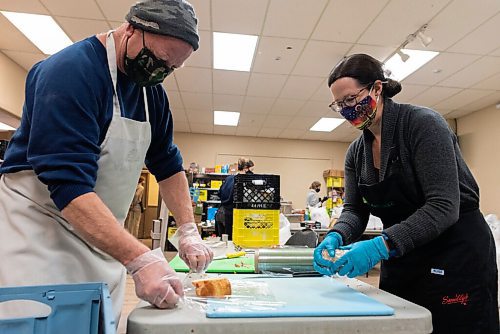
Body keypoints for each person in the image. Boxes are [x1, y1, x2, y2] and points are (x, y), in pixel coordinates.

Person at [0, 0, 213, 321]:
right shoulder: (70, 73)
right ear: (130, 29)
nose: (158, 71)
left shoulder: (149, 93)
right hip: (39, 235)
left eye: (170, 68)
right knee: (42, 322)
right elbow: (67, 185)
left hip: (101, 238)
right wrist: (141, 259)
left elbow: (168, 166)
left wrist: (187, 229)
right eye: (156, 59)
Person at [313, 54, 498, 333]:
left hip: (454, 250)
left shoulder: (423, 125)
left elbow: (444, 205)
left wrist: (380, 246)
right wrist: (336, 235)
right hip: (403, 253)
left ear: (377, 88)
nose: (346, 110)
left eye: (350, 99)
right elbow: (354, 210)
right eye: (339, 105)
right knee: (399, 325)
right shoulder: (356, 152)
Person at [216, 157, 253, 239]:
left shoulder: (229, 178)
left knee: (222, 242)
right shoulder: (242, 180)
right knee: (231, 242)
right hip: (230, 215)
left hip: (220, 212)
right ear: (246, 169)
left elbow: (219, 193)